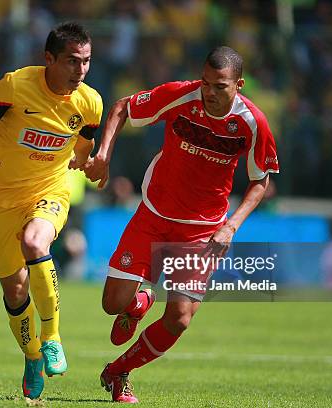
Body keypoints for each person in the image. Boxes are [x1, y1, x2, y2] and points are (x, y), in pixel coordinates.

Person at [83, 46, 279, 403]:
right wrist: (103, 155)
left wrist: (231, 226)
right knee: (112, 304)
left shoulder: (253, 122)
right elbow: (123, 107)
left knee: (179, 318)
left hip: (203, 231)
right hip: (155, 215)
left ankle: (118, 372)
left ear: (239, 84)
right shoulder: (181, 96)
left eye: (220, 86)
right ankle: (138, 301)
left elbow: (260, 180)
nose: (209, 92)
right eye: (206, 83)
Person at [0, 22, 102, 400]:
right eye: (73, 61)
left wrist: (89, 163)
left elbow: (86, 144)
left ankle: (52, 337)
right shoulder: (15, 85)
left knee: (35, 241)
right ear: (49, 59)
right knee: (15, 289)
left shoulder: (90, 102)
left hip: (50, 191)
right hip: (3, 198)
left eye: (86, 62)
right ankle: (32, 355)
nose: (81, 70)